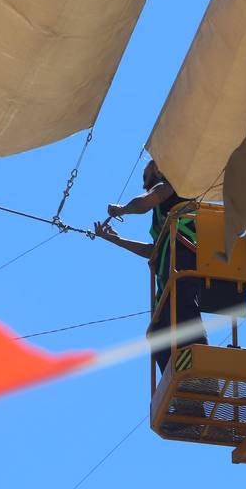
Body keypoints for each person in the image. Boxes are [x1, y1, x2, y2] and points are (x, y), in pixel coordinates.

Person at [92, 160, 206, 373]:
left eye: (146, 177)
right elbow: (152, 251)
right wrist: (116, 239)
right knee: (158, 333)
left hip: (183, 262)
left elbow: (143, 203)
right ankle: (181, 384)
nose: (145, 184)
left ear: (157, 168)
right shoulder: (165, 215)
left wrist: (122, 210)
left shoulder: (171, 184)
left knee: (184, 314)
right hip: (168, 272)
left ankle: (202, 376)